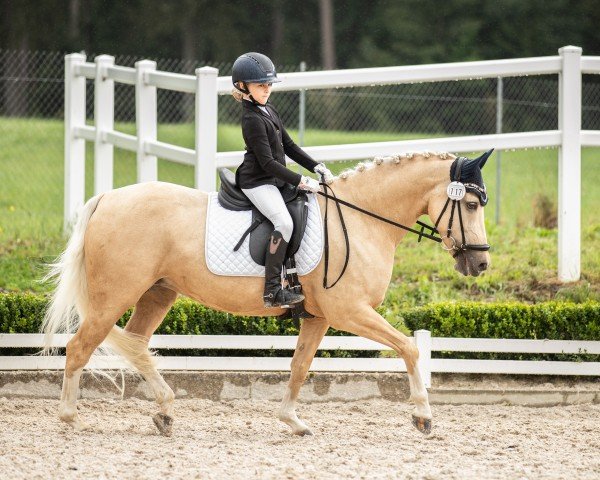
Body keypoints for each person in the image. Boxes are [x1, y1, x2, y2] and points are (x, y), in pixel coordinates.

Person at [231, 52, 334, 308]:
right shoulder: (251, 119)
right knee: (284, 223)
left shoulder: (267, 109)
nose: (266, 90)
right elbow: (267, 163)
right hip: (257, 181)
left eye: (268, 85)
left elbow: (287, 145)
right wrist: (300, 180)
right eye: (260, 85)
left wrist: (315, 165)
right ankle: (273, 290)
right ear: (243, 87)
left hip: (274, 178)